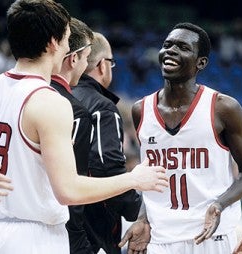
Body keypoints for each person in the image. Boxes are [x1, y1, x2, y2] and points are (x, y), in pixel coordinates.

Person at [0, 1, 168, 253]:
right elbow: (69, 190)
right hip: (31, 237)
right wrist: (133, 179)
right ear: (53, 43)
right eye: (66, 39)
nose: (66, 47)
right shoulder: (49, 100)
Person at [119, 22, 242, 254]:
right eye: (167, 45)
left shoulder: (223, 108)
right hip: (160, 236)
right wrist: (142, 218)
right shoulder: (141, 110)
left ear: (201, 62)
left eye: (182, 47)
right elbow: (152, 178)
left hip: (211, 234)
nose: (170, 51)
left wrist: (220, 204)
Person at [72, 32, 142, 254]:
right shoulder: (102, 107)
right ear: (102, 65)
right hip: (91, 232)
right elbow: (108, 168)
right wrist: (136, 209)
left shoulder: (53, 96)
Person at [50, 17, 94, 253]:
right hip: (45, 231)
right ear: (73, 57)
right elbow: (70, 191)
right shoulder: (73, 111)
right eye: (87, 57)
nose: (87, 66)